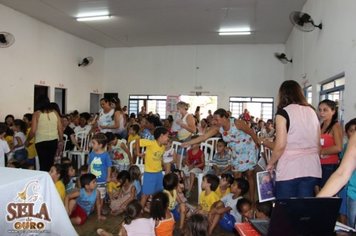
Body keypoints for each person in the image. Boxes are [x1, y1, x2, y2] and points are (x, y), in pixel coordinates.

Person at [182, 108, 259, 202]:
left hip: (248, 149)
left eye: (216, 119)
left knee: (249, 175)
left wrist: (257, 143)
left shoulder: (237, 123)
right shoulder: (218, 128)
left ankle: (252, 201)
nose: (214, 121)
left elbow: (251, 132)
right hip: (235, 152)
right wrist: (189, 142)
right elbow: (203, 137)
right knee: (236, 177)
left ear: (225, 118)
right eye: (214, 119)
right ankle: (236, 201)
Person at [265, 80, 321, 199]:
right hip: (311, 167)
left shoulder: (283, 113)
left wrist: (271, 163)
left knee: (286, 210)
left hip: (290, 169)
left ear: (282, 94)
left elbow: (280, 146)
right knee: (303, 211)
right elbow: (318, 143)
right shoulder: (312, 111)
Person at [27, 95, 63, 171]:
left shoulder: (36, 114)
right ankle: (51, 179)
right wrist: (61, 140)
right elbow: (60, 128)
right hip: (53, 141)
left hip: (41, 142)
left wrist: (27, 141)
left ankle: (44, 180)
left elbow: (33, 131)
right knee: (50, 163)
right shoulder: (55, 112)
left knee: (43, 163)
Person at [136, 127, 169, 209]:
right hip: (150, 173)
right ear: (161, 136)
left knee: (158, 192)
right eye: (167, 136)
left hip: (159, 173)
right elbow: (137, 141)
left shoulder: (163, 147)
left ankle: (154, 208)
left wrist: (163, 166)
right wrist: (138, 153)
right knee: (146, 195)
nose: (168, 138)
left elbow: (160, 158)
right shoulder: (151, 143)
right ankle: (139, 212)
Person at [317, 99, 343, 189]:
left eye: (325, 110)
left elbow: (339, 147)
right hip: (318, 163)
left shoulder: (335, 126)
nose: (321, 113)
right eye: (320, 110)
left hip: (329, 165)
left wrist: (322, 152)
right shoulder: (320, 125)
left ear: (333, 111)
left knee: (326, 191)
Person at [88, 133, 112, 207]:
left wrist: (108, 177)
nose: (92, 145)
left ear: (100, 145)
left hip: (102, 180)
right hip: (92, 180)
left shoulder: (105, 155)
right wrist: (88, 173)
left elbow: (109, 166)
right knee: (94, 195)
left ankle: (100, 211)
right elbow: (89, 164)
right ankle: (96, 209)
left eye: (94, 143)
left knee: (101, 197)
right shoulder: (91, 154)